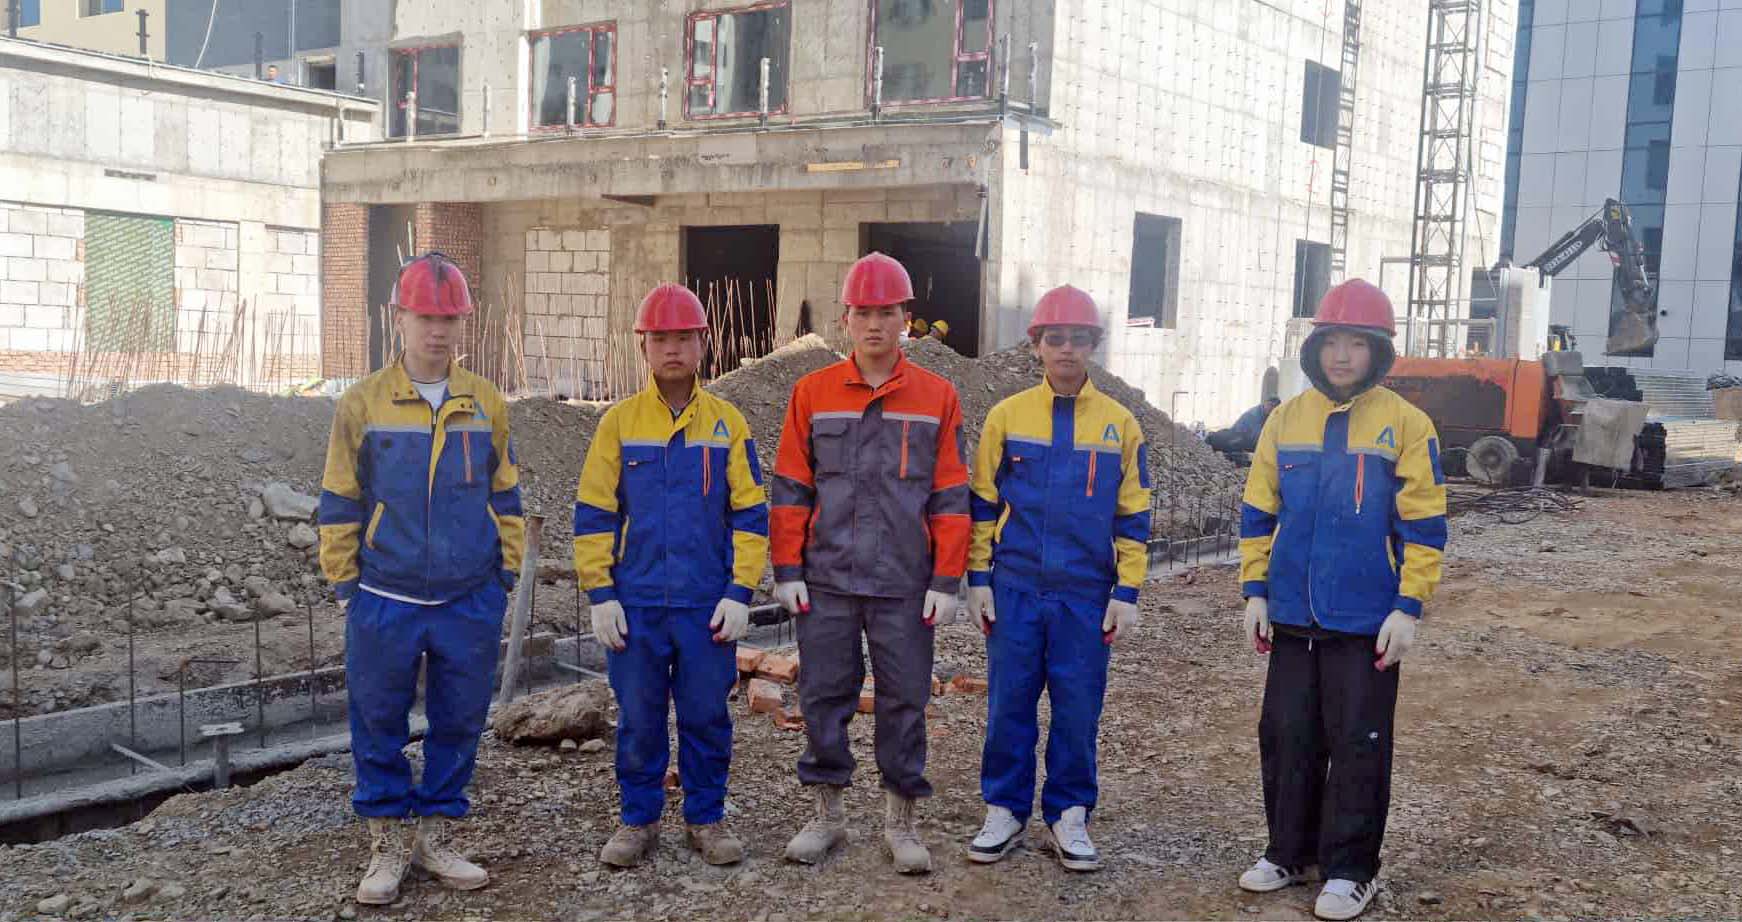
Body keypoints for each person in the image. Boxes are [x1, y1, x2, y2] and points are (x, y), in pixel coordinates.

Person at [1235, 278, 1447, 921]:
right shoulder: (1284, 420)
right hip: (1292, 614)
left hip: (1365, 618)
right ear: (1315, 348)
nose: (1343, 356)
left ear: (1378, 352)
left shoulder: (1406, 425)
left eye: (1357, 343)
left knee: (1359, 743)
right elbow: (1258, 511)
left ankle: (1352, 870)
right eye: (1332, 343)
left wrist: (1408, 606)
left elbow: (1424, 526)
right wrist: (1254, 590)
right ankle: (1288, 852)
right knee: (1287, 736)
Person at [317, 252, 523, 905]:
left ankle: (437, 836)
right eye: (425, 317)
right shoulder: (362, 403)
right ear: (399, 318)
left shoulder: (485, 402)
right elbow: (339, 499)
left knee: (459, 719)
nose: (437, 330)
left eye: (449, 318)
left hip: (468, 598)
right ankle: (386, 841)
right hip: (385, 596)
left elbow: (506, 494)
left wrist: (504, 574)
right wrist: (345, 585)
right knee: (377, 719)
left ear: (463, 323)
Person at [769, 251, 970, 874]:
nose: (875, 324)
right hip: (827, 579)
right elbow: (791, 488)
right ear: (846, 320)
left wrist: (946, 579)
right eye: (863, 312)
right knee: (824, 695)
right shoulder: (812, 393)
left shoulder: (937, 396)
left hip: (904, 583)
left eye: (887, 312)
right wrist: (787, 570)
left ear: (906, 318)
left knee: (904, 700)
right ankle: (826, 815)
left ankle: (900, 821)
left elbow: (951, 494)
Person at [574, 283, 769, 869]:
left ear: (702, 343)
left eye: (684, 337)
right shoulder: (618, 424)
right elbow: (595, 512)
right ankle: (638, 820)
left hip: (705, 605)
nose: (673, 349)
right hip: (636, 605)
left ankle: (706, 818)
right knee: (639, 717)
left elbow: (751, 513)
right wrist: (601, 592)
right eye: (660, 338)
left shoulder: (727, 424)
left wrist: (740, 591)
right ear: (644, 347)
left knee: (706, 715)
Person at [962, 285, 1150, 872]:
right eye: (1056, 338)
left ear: (1093, 345)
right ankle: (1005, 809)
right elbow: (982, 502)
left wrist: (1126, 591)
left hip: (1084, 595)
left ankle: (1069, 813)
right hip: (1015, 588)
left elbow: (1133, 515)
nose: (1067, 349)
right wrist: (978, 577)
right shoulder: (1007, 416)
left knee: (1077, 708)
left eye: (1079, 339)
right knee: (1009, 704)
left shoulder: (1120, 425)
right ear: (1037, 345)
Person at [1207, 397, 1280, 455]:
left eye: (1274, 406)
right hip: (1240, 436)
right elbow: (1256, 436)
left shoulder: (1272, 414)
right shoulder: (1254, 414)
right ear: (1264, 403)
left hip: (1247, 438)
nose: (1271, 408)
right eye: (1270, 405)